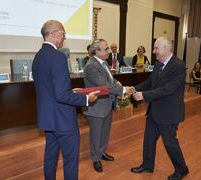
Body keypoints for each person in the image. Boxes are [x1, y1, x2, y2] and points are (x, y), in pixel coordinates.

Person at [32, 20, 99, 180]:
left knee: (50, 157)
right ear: (54, 34)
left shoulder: (38, 57)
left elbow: (51, 90)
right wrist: (86, 99)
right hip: (63, 120)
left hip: (49, 119)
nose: (64, 37)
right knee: (70, 161)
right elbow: (61, 95)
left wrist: (71, 91)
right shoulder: (58, 57)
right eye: (63, 34)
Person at [129, 37, 189, 180]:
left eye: (156, 48)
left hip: (169, 113)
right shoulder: (158, 64)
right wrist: (134, 88)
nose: (154, 51)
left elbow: (167, 89)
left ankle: (182, 169)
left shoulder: (178, 66)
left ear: (166, 49)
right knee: (148, 140)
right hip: (154, 111)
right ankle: (147, 165)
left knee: (170, 143)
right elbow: (150, 82)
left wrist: (143, 95)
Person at [83, 39, 130, 173]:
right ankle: (95, 158)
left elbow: (111, 80)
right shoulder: (91, 65)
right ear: (96, 51)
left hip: (107, 103)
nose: (109, 51)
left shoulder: (103, 63)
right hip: (97, 106)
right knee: (96, 134)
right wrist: (124, 90)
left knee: (104, 131)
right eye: (106, 49)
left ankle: (102, 152)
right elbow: (105, 86)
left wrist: (118, 82)